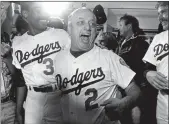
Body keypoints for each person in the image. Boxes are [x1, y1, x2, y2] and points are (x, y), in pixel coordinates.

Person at [53, 7, 141, 124]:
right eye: (80, 22)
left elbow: (134, 90)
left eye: (92, 24)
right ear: (69, 28)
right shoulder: (57, 59)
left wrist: (124, 103)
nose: (88, 27)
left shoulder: (110, 57)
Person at [12, 2, 70, 124]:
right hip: (32, 99)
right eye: (39, 10)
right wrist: (18, 110)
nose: (45, 14)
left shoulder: (61, 35)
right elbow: (20, 79)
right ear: (25, 14)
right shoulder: (18, 43)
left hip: (58, 96)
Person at [143, 1, 168, 124]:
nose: (159, 17)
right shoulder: (158, 38)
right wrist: (148, 74)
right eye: (158, 13)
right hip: (163, 99)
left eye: (163, 12)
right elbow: (148, 67)